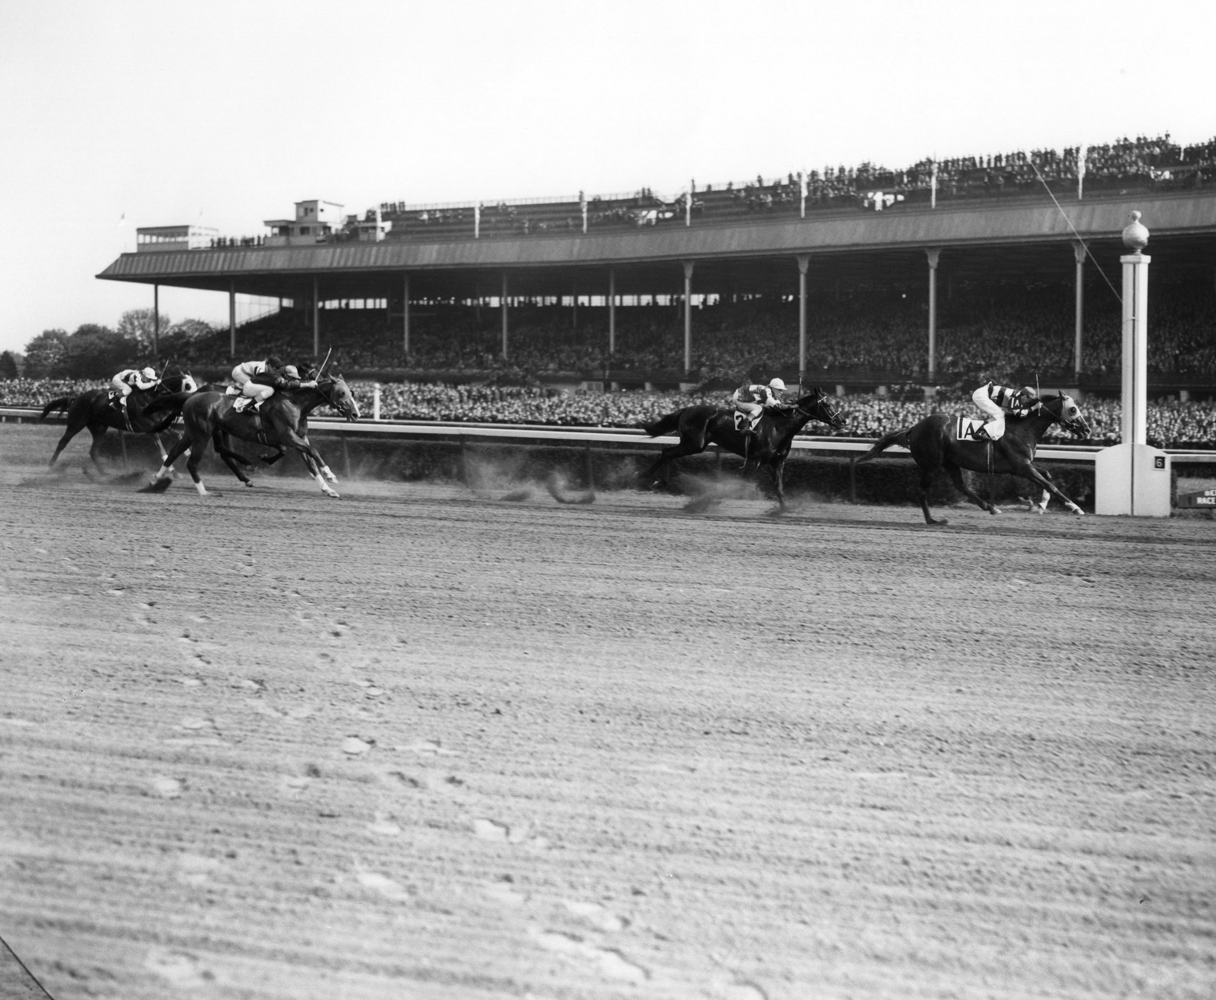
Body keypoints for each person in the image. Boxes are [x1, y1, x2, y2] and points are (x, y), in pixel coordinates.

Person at [233, 362, 316, 413]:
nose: (294, 379)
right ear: (286, 375)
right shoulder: (276, 377)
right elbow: (287, 385)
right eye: (292, 377)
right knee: (270, 390)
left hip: (256, 386)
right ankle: (248, 406)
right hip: (249, 387)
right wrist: (308, 384)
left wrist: (307, 383)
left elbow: (291, 384)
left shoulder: (281, 375)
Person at [971, 381, 1037, 441]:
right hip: (981, 395)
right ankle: (980, 432)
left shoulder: (1018, 396)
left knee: (1000, 415)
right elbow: (1018, 414)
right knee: (1000, 414)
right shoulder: (1015, 397)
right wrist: (1034, 407)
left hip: (982, 394)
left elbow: (1013, 412)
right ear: (1025, 396)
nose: (1028, 401)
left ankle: (983, 431)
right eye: (1028, 398)